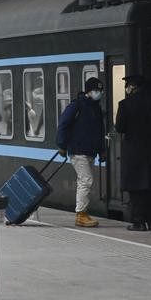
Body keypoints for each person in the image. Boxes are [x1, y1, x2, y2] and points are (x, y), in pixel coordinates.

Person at [114, 74, 151, 231]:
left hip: (133, 151)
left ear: (132, 87)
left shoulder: (124, 104)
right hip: (150, 150)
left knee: (135, 188)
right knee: (150, 186)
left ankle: (138, 222)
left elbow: (120, 128)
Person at [56, 77, 106, 228]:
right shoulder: (76, 106)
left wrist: (102, 150)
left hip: (89, 150)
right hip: (77, 150)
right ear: (89, 91)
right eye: (96, 91)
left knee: (83, 181)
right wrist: (61, 146)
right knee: (86, 180)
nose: (99, 93)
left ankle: (82, 213)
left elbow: (99, 131)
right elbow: (63, 124)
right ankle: (81, 214)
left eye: (100, 91)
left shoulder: (96, 108)